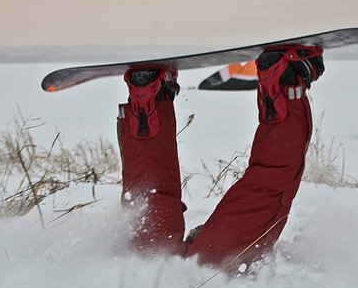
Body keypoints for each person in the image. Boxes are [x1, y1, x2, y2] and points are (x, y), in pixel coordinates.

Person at [116, 46, 324, 271]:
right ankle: (148, 94)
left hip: (206, 272)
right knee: (149, 201)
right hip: (159, 271)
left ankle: (285, 80)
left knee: (270, 182)